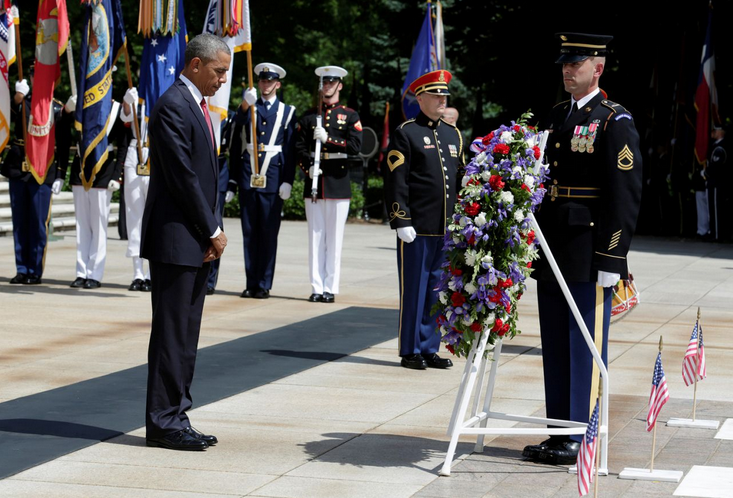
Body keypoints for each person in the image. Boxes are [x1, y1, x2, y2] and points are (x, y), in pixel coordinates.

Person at [523, 33, 642, 465]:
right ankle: (561, 431)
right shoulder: (557, 115)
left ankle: (581, 433)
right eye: (564, 63)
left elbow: (623, 194)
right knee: (554, 339)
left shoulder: (614, 120)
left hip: (587, 247)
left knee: (583, 341)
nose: (568, 70)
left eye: (577, 62)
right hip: (553, 244)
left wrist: (614, 256)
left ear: (599, 67)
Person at [140, 34, 230, 451]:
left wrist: (208, 233)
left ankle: (176, 415)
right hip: (177, 240)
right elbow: (182, 178)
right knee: (173, 334)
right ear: (195, 65)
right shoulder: (173, 105)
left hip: (192, 241)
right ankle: (162, 423)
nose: (222, 80)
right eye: (218, 71)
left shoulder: (195, 105)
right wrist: (212, 230)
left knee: (186, 335)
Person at [383, 69, 463, 370]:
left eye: (444, 95)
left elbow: (461, 178)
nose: (442, 99)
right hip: (416, 228)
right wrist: (401, 219)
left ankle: (430, 347)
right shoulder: (407, 133)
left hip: (446, 227)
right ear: (420, 98)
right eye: (436, 95)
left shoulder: (452, 133)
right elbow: (396, 180)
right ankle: (410, 348)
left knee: (437, 291)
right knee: (414, 290)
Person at [2, 61, 74, 285]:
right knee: (20, 223)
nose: (36, 79)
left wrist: (61, 174)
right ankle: (21, 268)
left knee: (38, 224)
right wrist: (16, 98)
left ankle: (34, 270)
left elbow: (63, 144)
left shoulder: (56, 109)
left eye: (41, 75)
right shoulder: (22, 103)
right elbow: (8, 118)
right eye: (34, 75)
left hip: (42, 171)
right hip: (18, 169)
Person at [228, 63, 296, 299]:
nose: (265, 85)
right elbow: (235, 139)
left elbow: (290, 150)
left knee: (268, 233)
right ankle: (251, 282)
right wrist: (233, 181)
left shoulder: (287, 111)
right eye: (262, 81)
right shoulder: (248, 108)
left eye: (270, 81)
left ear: (277, 84)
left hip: (273, 177)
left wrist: (288, 180)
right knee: (249, 233)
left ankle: (264, 283)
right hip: (249, 176)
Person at [295, 65, 362, 303]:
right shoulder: (310, 116)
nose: (327, 87)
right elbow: (299, 148)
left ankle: (330, 288)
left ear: (339, 85)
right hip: (315, 182)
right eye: (324, 83)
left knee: (334, 239)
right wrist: (308, 168)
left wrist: (330, 139)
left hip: (338, 181)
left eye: (331, 83)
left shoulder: (350, 115)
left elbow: (355, 147)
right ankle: (316, 286)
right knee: (315, 237)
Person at [68, 101, 125, 289]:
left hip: (103, 169)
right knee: (81, 225)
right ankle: (81, 271)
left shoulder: (115, 108)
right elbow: (66, 131)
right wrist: (69, 111)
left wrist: (117, 175)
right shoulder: (83, 103)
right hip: (81, 167)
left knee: (99, 227)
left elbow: (123, 143)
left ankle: (95, 273)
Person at [119, 86, 152, 292]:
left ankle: (151, 273)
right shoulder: (137, 98)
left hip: (157, 153)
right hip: (135, 151)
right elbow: (124, 118)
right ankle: (137, 273)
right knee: (134, 215)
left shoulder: (166, 96)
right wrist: (126, 102)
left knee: (153, 216)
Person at [207, 109, 236, 295]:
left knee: (216, 227)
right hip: (199, 170)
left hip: (220, 170)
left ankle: (210, 280)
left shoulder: (228, 114)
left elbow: (235, 149)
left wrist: (232, 182)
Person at [706, 126, 728, 241]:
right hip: (714, 182)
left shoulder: (721, 147)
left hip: (717, 182)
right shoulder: (716, 146)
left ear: (720, 132)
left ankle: (718, 235)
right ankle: (714, 232)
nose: (712, 133)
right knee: (713, 209)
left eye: (714, 130)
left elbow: (716, 167)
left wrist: (706, 172)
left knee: (716, 209)